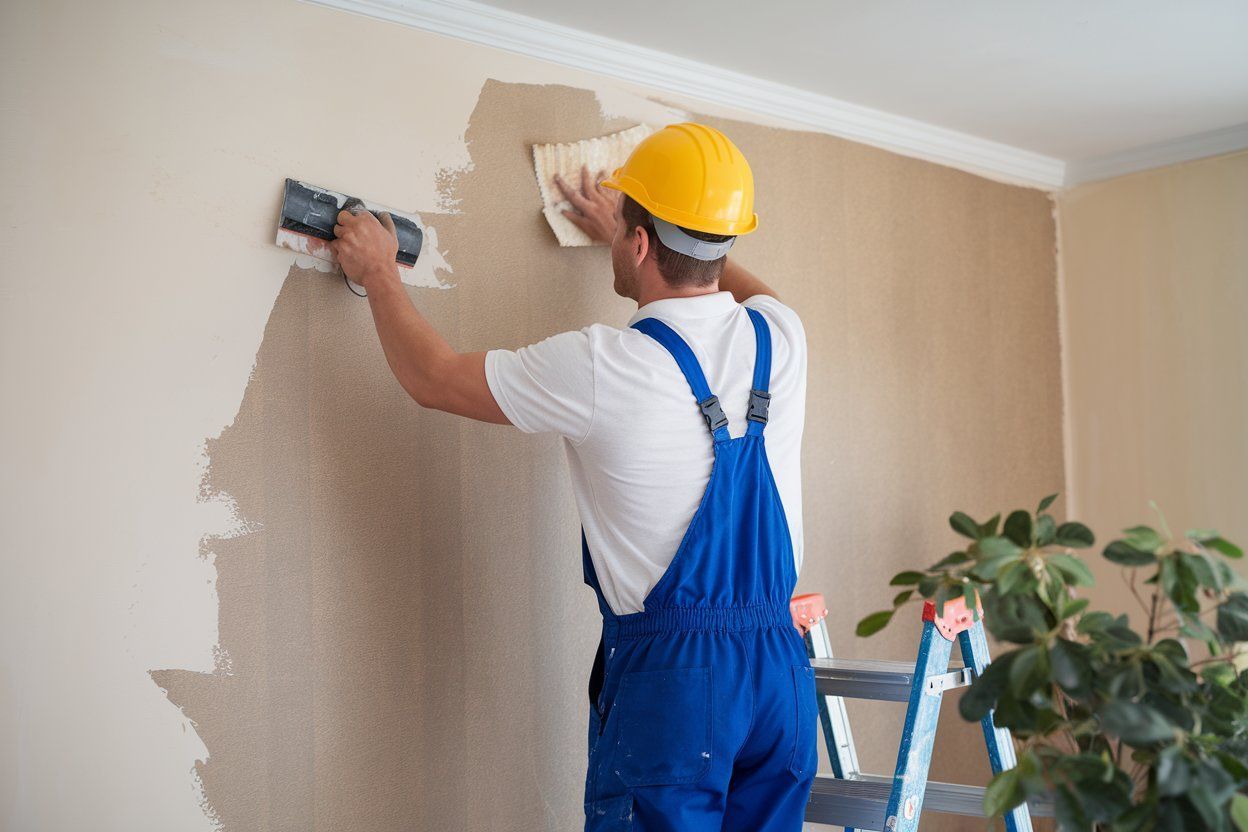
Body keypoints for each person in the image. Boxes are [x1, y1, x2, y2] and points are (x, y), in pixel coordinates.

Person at [330, 123, 819, 831]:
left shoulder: (602, 365)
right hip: (780, 674)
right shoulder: (783, 339)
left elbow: (432, 378)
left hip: (679, 682)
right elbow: (721, 278)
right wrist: (636, 236)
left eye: (627, 228)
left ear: (643, 243)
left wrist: (377, 271)